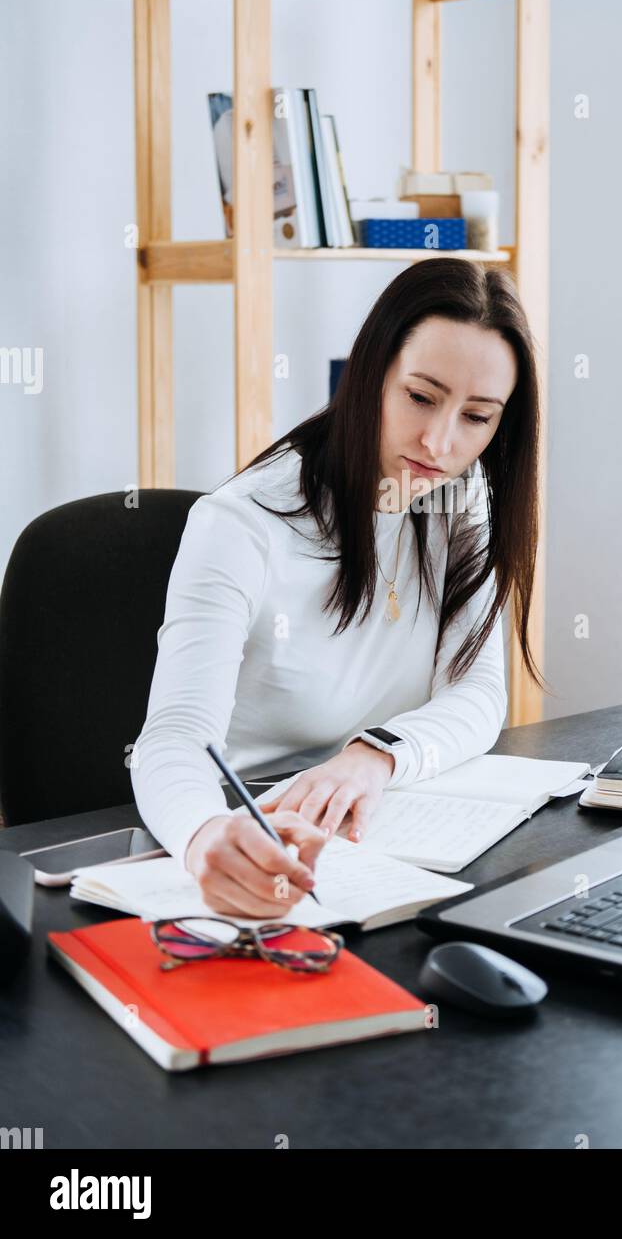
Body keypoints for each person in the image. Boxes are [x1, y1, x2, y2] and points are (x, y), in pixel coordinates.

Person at [132, 257, 546, 918]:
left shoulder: (461, 502)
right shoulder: (241, 523)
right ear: (370, 374)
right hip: (251, 829)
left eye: (478, 416)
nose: (440, 442)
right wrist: (205, 835)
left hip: (380, 827)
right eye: (420, 397)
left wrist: (373, 757)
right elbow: (174, 738)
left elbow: (477, 693)